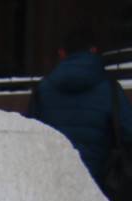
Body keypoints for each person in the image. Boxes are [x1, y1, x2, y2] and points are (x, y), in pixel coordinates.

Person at [29, 28, 132, 189]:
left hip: (55, 182)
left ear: (62, 53)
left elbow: (30, 136)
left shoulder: (43, 90)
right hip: (101, 185)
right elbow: (128, 131)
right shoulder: (110, 89)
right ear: (93, 51)